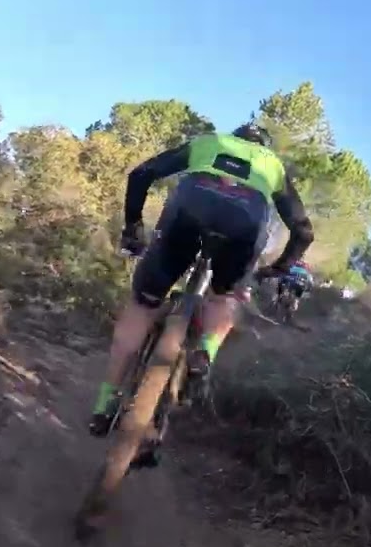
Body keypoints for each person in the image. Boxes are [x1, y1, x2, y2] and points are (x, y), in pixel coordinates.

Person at [89, 122, 315, 436]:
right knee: (224, 296)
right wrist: (276, 269)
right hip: (245, 226)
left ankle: (104, 405)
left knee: (143, 303)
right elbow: (304, 232)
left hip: (189, 210)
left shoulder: (210, 141)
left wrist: (133, 227)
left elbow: (141, 174)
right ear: (264, 146)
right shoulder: (272, 166)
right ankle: (205, 352)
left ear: (234, 138)